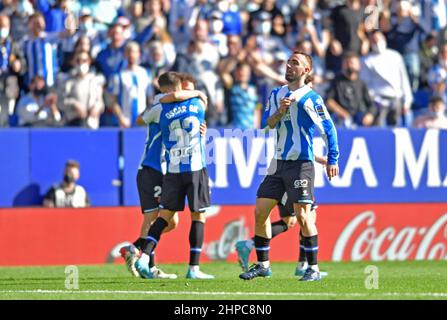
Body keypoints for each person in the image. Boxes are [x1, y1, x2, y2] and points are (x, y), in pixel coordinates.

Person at [238, 51, 339, 282]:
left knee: (303, 216)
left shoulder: (311, 99)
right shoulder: (276, 94)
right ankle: (263, 265)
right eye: (289, 61)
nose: (289, 65)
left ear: (306, 71)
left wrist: (333, 159)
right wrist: (280, 111)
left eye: (296, 63)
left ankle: (312, 269)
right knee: (260, 211)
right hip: (278, 163)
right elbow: (266, 126)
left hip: (301, 164)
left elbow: (329, 129)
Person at [120, 72, 208, 279]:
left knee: (171, 221)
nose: (188, 94)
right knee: (153, 218)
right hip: (153, 168)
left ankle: (136, 248)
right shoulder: (161, 106)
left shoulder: (167, 106)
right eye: (186, 89)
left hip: (167, 169)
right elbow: (141, 119)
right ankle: (148, 266)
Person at [360, 30, 413, 127]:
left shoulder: (395, 56)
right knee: (379, 129)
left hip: (396, 98)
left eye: (379, 39)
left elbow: (403, 79)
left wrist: (407, 100)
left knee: (396, 129)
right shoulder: (366, 60)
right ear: (370, 42)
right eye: (374, 40)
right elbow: (366, 84)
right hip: (378, 101)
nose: (377, 42)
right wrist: (373, 100)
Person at [108, 41, 153, 128]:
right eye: (129, 52)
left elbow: (150, 98)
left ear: (139, 54)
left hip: (142, 120)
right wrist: (121, 118)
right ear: (125, 54)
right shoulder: (118, 75)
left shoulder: (146, 74)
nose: (131, 55)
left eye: (134, 52)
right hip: (125, 121)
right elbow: (113, 101)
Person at [326, 52, 375, 128]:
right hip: (340, 118)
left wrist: (370, 115)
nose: (350, 65)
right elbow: (329, 101)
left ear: (359, 66)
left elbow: (371, 105)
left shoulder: (361, 84)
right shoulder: (336, 81)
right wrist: (342, 113)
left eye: (352, 63)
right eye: (347, 63)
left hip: (358, 117)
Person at [57, 50, 104, 128]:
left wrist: (96, 107)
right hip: (73, 122)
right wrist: (74, 104)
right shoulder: (67, 81)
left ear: (89, 62)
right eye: (78, 61)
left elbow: (100, 102)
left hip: (91, 123)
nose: (81, 63)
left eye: (84, 60)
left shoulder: (95, 80)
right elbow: (60, 102)